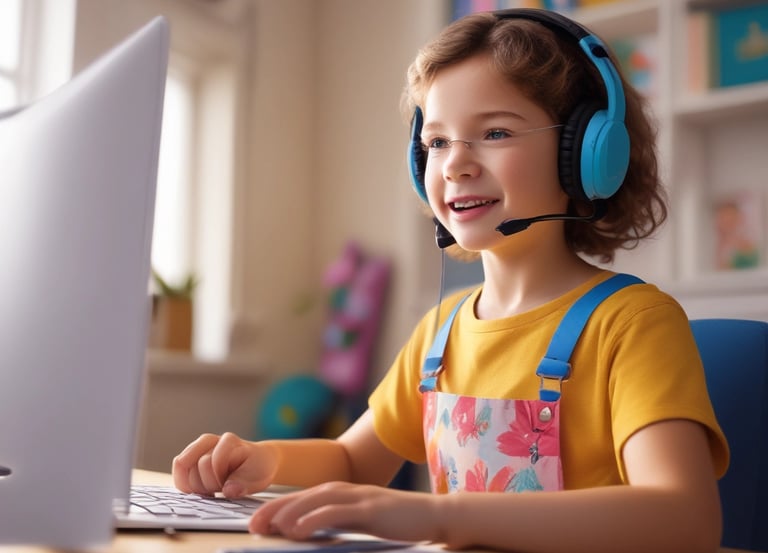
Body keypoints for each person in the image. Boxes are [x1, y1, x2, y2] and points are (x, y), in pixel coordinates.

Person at [172, 9, 729, 553]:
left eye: (495, 132)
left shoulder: (632, 324)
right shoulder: (443, 329)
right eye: (437, 142)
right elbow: (353, 461)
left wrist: (441, 515)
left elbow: (685, 518)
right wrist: (266, 458)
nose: (455, 164)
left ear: (584, 154)